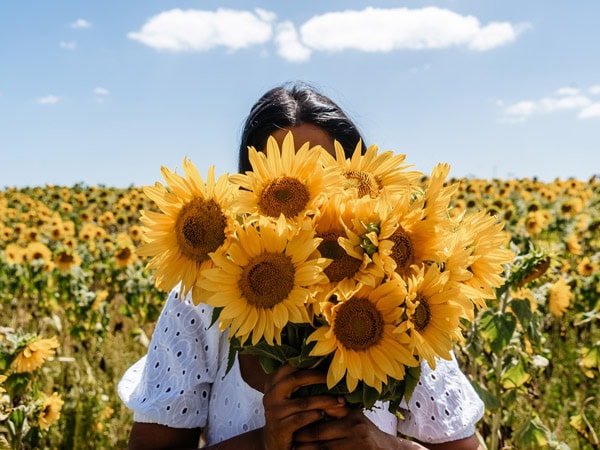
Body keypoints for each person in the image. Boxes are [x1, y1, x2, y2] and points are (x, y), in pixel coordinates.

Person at [118, 82, 485, 450]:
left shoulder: (401, 298)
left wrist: (386, 446)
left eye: (324, 176)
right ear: (249, 192)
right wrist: (263, 442)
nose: (309, 202)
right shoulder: (201, 300)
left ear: (359, 187)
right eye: (286, 186)